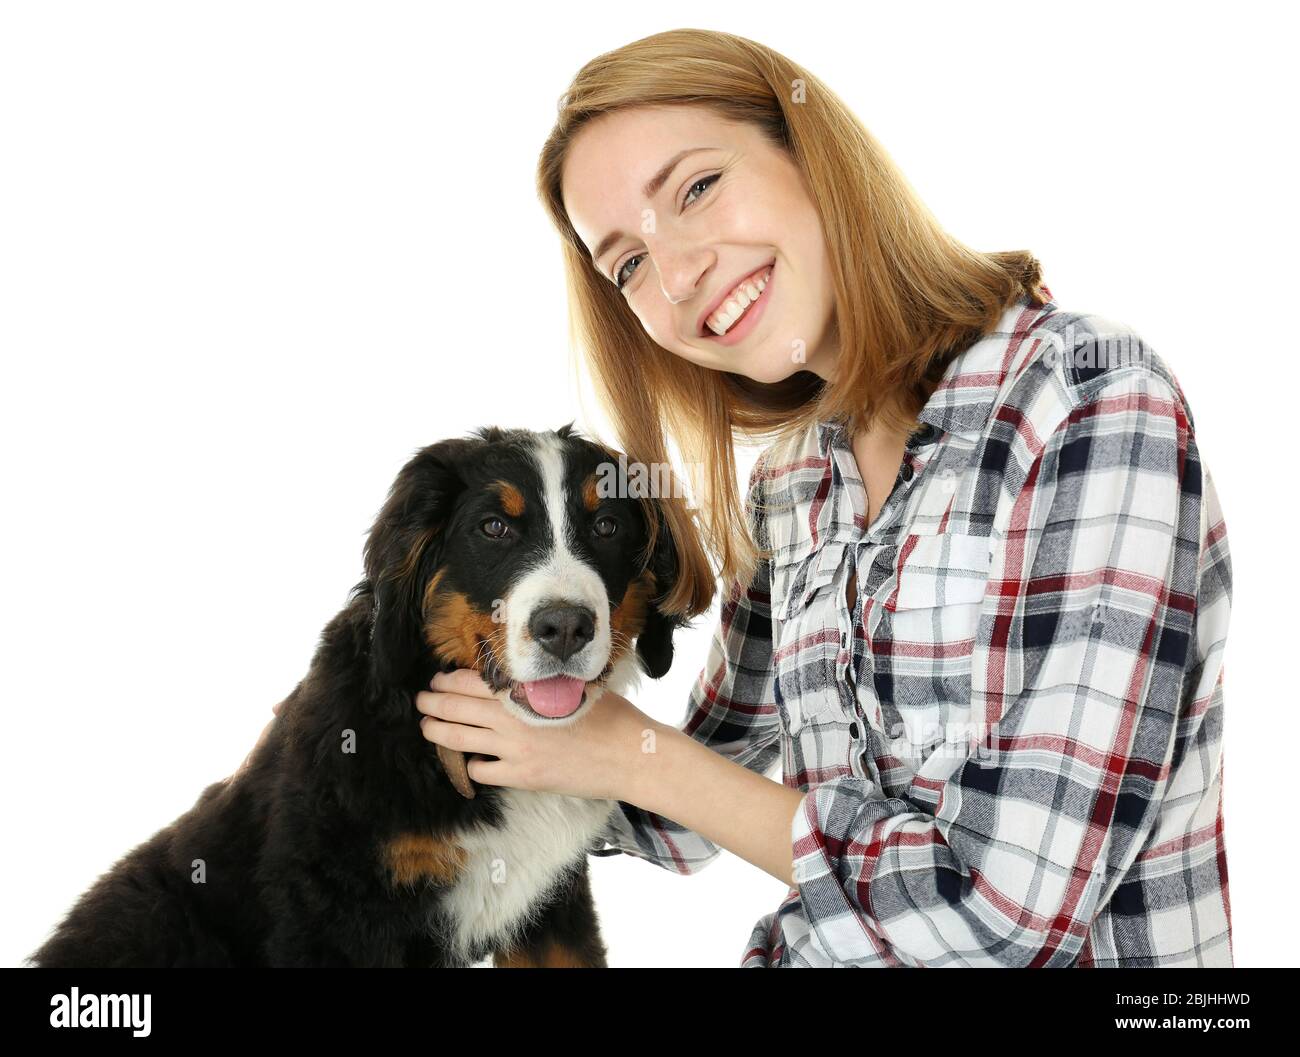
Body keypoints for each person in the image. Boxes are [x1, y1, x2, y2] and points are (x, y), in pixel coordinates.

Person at [243, 29, 1235, 967]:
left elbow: (1007, 912)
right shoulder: (794, 483)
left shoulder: (1085, 402)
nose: (675, 276)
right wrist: (417, 757)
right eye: (626, 261)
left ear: (810, 151)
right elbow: (708, 789)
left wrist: (625, 753)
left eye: (699, 187)